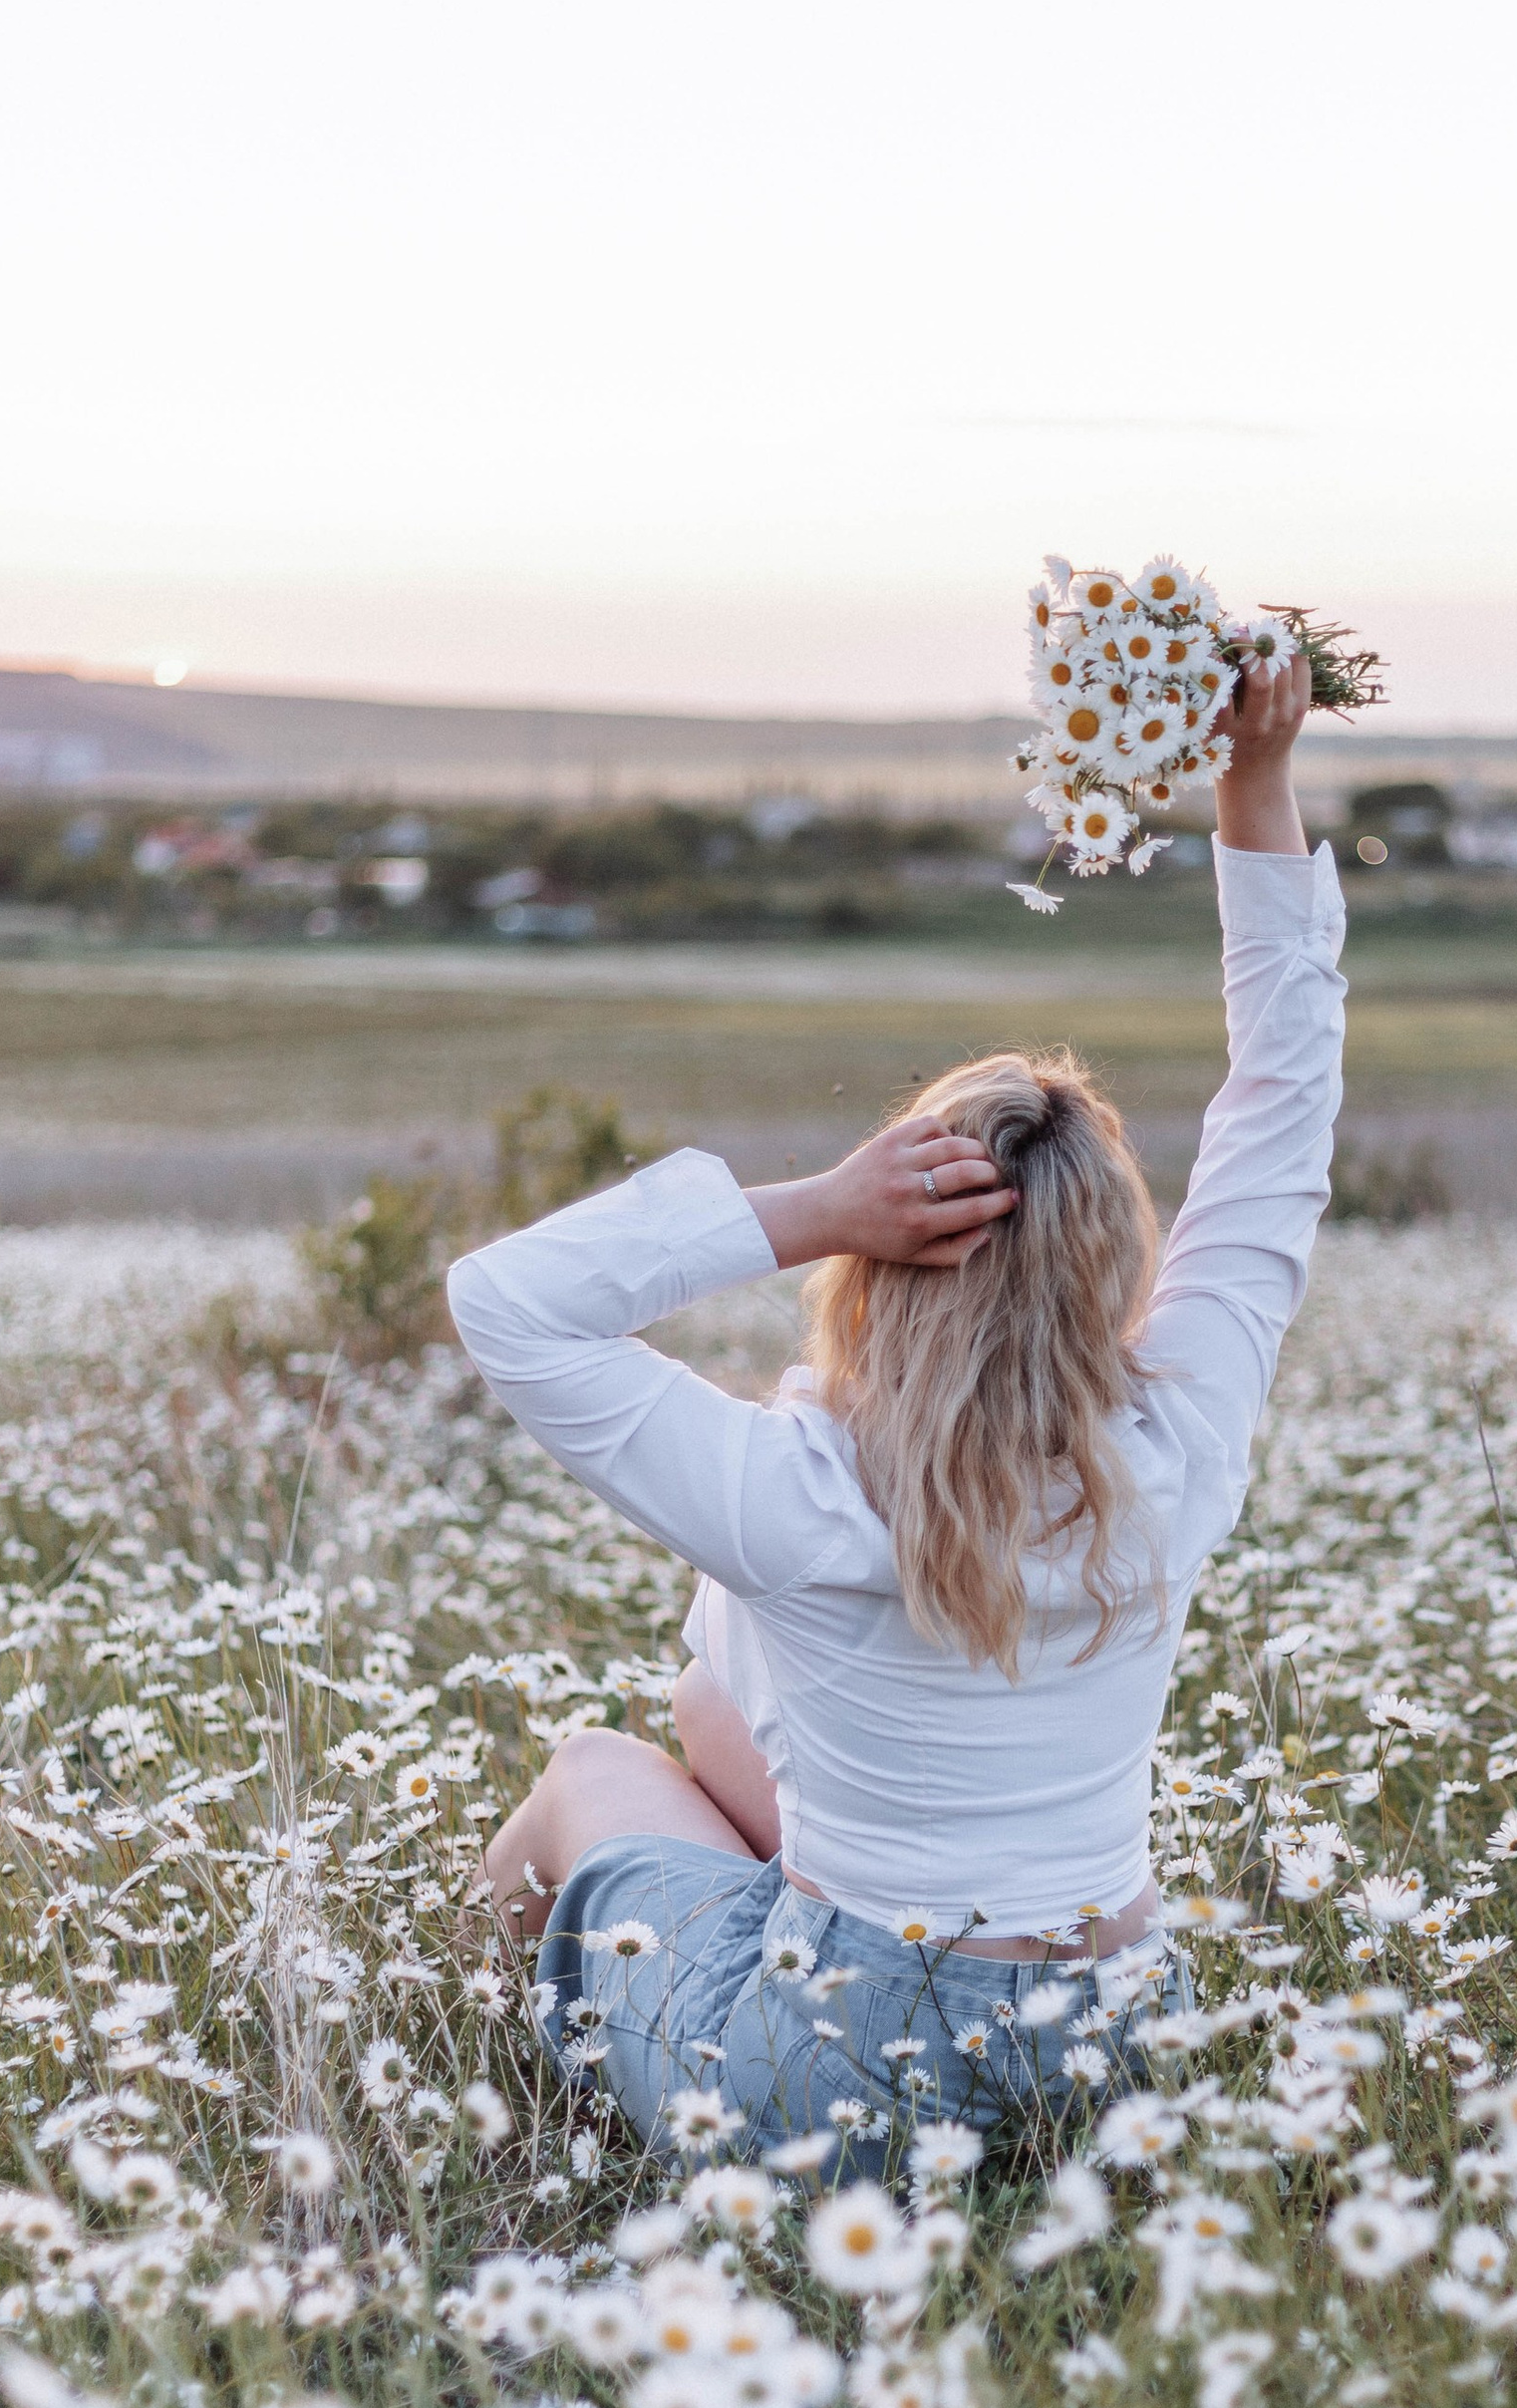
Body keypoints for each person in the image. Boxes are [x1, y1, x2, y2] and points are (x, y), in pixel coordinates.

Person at [446, 650, 1342, 2156]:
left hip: (844, 2081)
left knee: (603, 1772)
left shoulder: (801, 1488)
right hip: (1118, 2057)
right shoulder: (1178, 1440)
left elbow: (505, 1303)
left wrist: (813, 1203)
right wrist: (1254, 782)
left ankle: (449, 2076)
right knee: (702, 1709)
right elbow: (1284, 1098)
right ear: (1115, 1263)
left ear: (888, 1263)